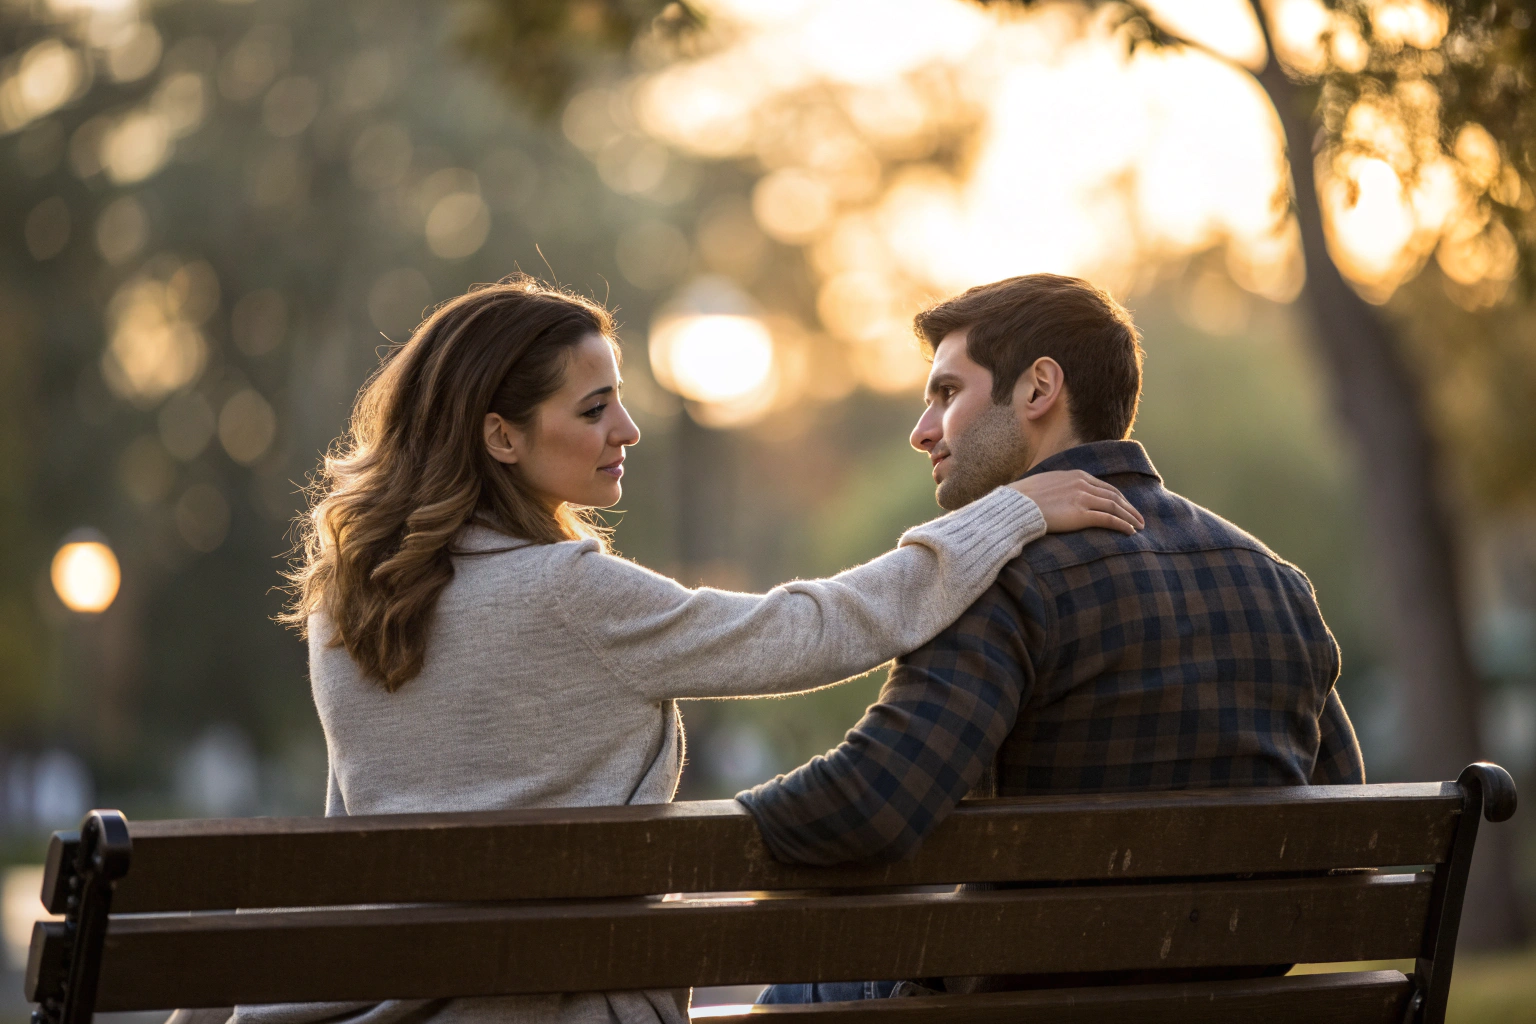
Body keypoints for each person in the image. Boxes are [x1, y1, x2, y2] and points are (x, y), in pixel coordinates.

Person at [226, 275, 1141, 1024]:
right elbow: (811, 629)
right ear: (501, 435)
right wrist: (1006, 515)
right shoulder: (569, 592)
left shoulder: (349, 607)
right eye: (594, 409)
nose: (626, 429)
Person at [741, 273, 1366, 1005]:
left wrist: (729, 824)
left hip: (1020, 1005)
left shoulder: (995, 580)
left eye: (948, 393)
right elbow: (1347, 833)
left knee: (794, 996)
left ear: (1039, 389)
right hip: (1233, 1007)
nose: (923, 430)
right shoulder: (1276, 583)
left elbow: (875, 803)